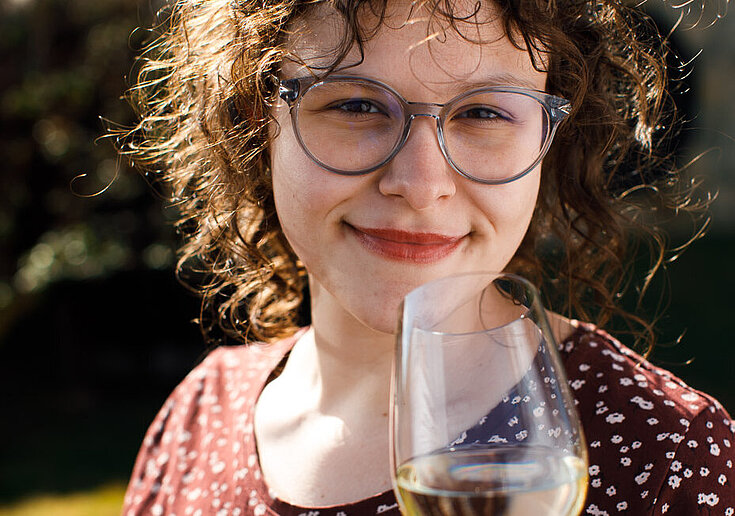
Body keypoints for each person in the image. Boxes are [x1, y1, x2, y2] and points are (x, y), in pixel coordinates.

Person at [118, 0, 734, 514]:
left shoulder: (665, 455)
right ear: (256, 120)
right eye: (355, 105)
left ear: (550, 143)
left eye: (485, 112)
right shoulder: (198, 418)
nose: (420, 182)